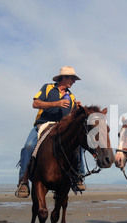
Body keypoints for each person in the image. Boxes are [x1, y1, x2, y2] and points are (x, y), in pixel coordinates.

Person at [15, 66, 85, 198]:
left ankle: (78, 176)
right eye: (72, 78)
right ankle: (23, 181)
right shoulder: (47, 88)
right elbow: (35, 104)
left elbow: (69, 116)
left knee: (78, 144)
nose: (74, 82)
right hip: (43, 124)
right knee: (28, 146)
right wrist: (56, 104)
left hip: (61, 127)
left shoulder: (72, 96)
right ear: (63, 78)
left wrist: (76, 109)